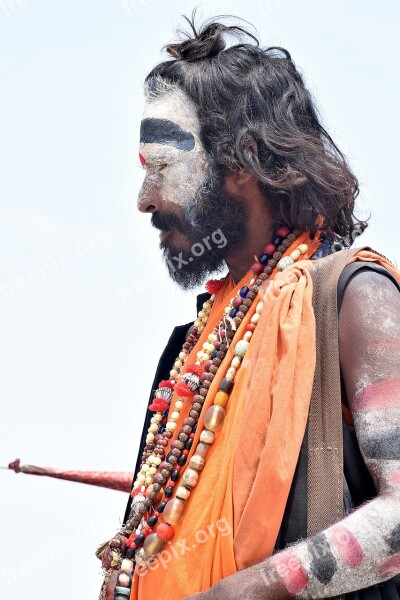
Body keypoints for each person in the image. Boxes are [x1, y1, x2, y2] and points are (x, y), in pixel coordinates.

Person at [97, 14, 400, 600]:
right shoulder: (190, 350)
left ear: (244, 159)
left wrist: (251, 590)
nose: (143, 201)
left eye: (162, 166)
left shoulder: (353, 296)